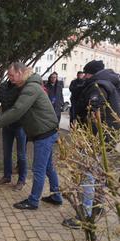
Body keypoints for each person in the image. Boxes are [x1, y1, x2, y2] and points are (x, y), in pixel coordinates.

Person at [0, 62, 63, 210]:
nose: (10, 78)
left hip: (44, 134)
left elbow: (17, 110)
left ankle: (33, 202)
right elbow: (13, 108)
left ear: (20, 73)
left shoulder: (30, 88)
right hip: (47, 131)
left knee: (38, 169)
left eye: (12, 75)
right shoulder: (28, 85)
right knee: (48, 167)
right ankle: (57, 196)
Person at [62, 60, 120, 228]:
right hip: (107, 138)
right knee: (99, 174)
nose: (84, 76)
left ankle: (86, 216)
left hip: (94, 138)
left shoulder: (98, 85)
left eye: (86, 73)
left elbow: (94, 111)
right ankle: (98, 207)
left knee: (88, 175)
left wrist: (85, 134)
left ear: (90, 73)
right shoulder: (111, 82)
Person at [0, 77, 28, 191]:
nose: (12, 76)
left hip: (20, 125)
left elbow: (18, 108)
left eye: (13, 74)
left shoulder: (22, 87)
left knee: (21, 154)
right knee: (6, 153)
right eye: (10, 74)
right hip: (7, 125)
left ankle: (21, 180)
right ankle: (7, 176)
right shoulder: (3, 86)